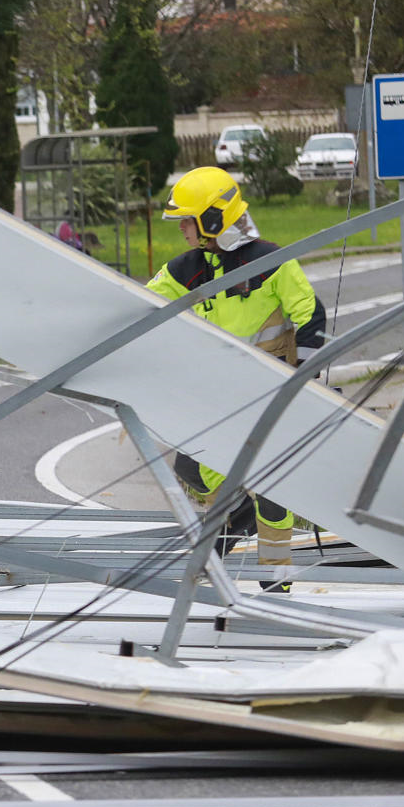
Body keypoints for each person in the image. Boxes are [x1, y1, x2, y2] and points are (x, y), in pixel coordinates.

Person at [149, 166, 325, 591]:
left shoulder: (272, 261)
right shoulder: (186, 269)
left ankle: (276, 581)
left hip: (271, 394)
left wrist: (301, 382)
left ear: (213, 219)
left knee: (271, 490)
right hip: (221, 397)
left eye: (187, 222)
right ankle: (236, 513)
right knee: (194, 467)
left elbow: (311, 317)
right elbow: (140, 304)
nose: (183, 232)